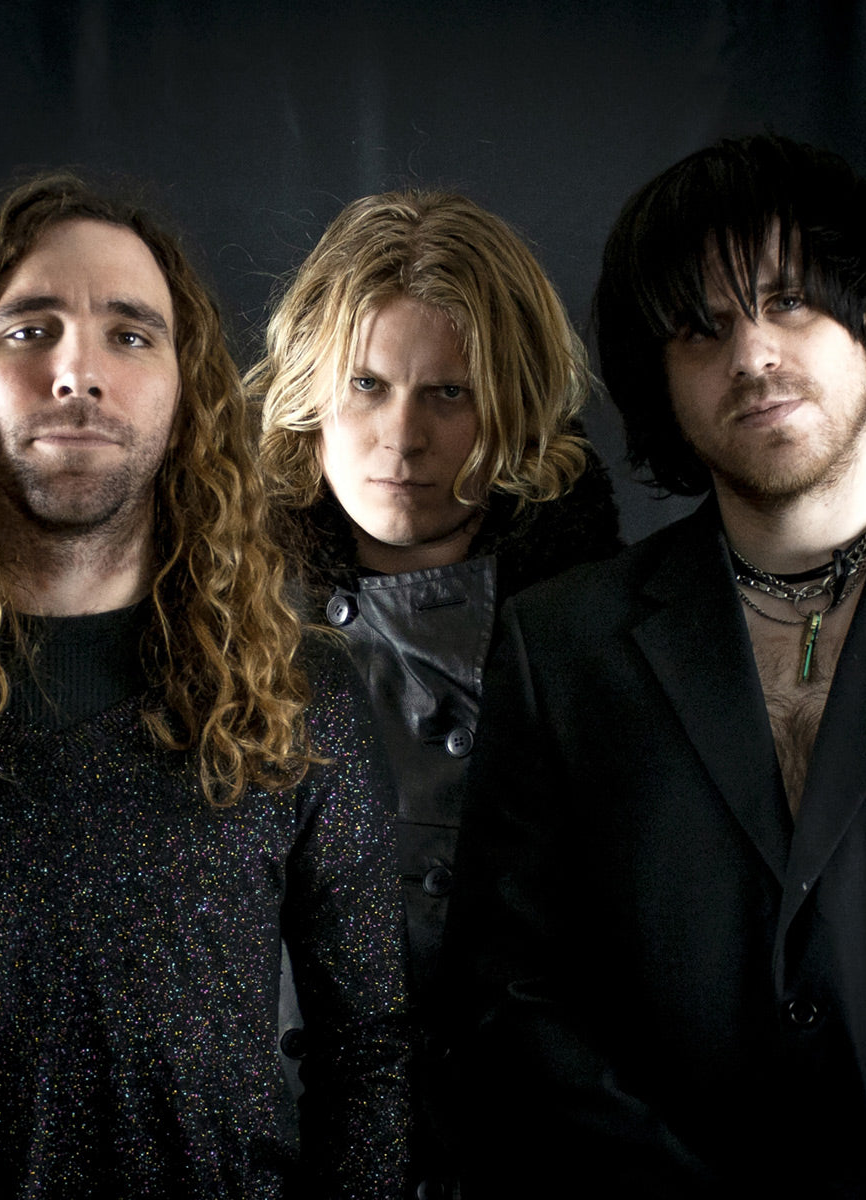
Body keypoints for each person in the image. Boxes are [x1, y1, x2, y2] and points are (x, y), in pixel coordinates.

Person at [0, 175, 410, 1198]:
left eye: (129, 335)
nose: (77, 371)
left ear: (184, 394)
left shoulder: (299, 695)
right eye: (29, 329)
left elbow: (372, 1054)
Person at [449, 133, 866, 1197]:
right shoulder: (560, 644)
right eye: (700, 328)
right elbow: (511, 992)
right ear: (660, 379)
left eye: (788, 301)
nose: (751, 354)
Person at [250, 190, 619, 1197]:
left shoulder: (605, 642)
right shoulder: (213, 626)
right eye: (366, 385)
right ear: (309, 393)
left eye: (448, 393)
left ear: (515, 409)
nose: (401, 437)